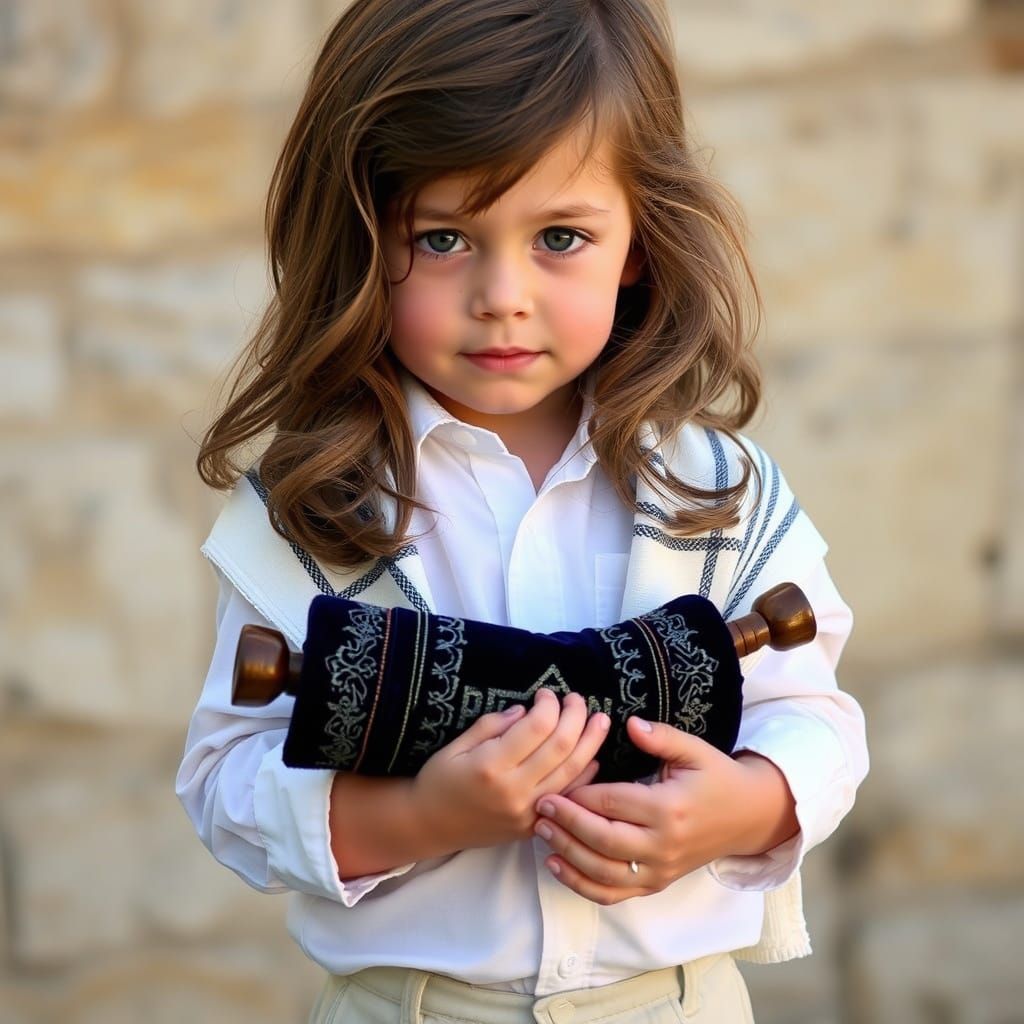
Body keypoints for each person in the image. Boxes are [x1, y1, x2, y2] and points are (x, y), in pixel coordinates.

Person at [176, 1, 869, 1021]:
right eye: (445, 237)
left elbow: (813, 719)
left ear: (635, 239)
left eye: (559, 237)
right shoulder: (319, 508)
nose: (502, 294)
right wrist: (417, 813)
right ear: (363, 237)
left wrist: (738, 808)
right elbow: (226, 783)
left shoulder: (716, 491)